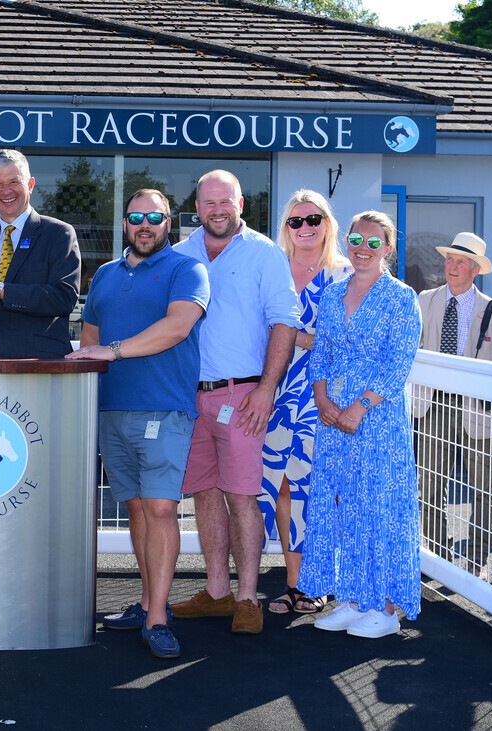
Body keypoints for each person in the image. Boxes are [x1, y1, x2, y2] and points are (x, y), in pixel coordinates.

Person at [67, 189, 209, 658]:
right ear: (125, 223)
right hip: (112, 409)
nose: (144, 224)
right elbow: (89, 338)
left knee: (162, 509)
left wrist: (114, 350)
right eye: (136, 217)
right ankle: (149, 601)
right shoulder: (105, 274)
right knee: (136, 510)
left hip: (164, 409)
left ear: (169, 222)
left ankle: (157, 618)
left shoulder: (187, 269)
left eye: (154, 216)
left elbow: (178, 327)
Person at [168, 170, 300, 636]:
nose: (218, 210)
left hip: (243, 394)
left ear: (241, 203)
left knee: (243, 497)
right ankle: (218, 593)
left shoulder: (265, 253)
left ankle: (248, 598)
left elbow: (285, 323)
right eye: (209, 203)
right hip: (188, 397)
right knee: (204, 494)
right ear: (197, 205)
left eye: (226, 202)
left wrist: (266, 389)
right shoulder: (179, 255)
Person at [300, 211, 423, 638]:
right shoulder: (332, 294)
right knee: (344, 505)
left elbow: (399, 361)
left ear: (389, 248)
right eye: (357, 239)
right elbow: (320, 353)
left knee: (381, 507)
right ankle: (354, 598)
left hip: (378, 420)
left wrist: (359, 407)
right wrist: (322, 399)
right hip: (333, 417)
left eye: (374, 242)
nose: (363, 248)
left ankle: (386, 608)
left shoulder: (401, 297)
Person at [414, 233, 492, 579]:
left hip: (478, 409)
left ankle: (477, 561)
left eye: (461, 261)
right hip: (432, 405)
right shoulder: (425, 300)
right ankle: (436, 557)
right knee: (430, 485)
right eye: (449, 259)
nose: (452, 266)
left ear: (475, 269)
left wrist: (490, 392)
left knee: (482, 490)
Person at [260, 190, 351, 615]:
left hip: (320, 397)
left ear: (327, 224)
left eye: (313, 219)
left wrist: (291, 334)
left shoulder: (346, 276)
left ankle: (320, 581)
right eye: (296, 221)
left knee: (314, 489)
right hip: (269, 392)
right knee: (278, 485)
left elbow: (348, 344)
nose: (305, 228)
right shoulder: (271, 267)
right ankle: (295, 582)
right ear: (286, 228)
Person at [0, 149, 80, 358]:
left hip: (37, 366)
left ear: (30, 185)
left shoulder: (59, 234)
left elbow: (63, 298)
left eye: (14, 182)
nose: (6, 191)